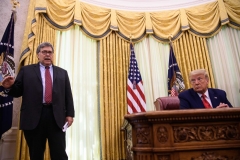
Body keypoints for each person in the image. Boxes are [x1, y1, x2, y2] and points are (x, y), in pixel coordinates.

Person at [1, 42, 74, 160]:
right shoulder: (26, 71)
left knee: (59, 153)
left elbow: (68, 95)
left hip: (56, 118)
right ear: (37, 55)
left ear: (53, 55)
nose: (47, 55)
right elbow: (17, 92)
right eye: (44, 52)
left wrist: (70, 114)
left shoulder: (62, 73)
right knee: (36, 154)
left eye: (50, 52)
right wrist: (9, 87)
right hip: (33, 118)